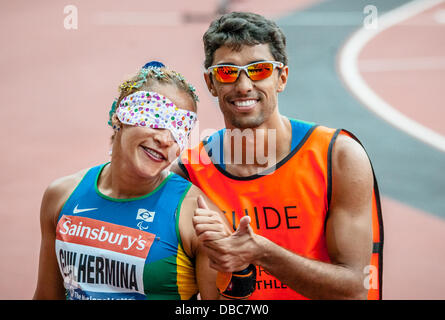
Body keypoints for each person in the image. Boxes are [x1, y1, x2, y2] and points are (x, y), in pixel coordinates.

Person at [172, 12, 384, 300]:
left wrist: (262, 253)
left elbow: (354, 290)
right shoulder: (188, 172)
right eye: (227, 72)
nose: (244, 85)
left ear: (281, 77)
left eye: (258, 70)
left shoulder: (337, 157)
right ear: (211, 83)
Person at [33, 61, 252, 300]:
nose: (167, 139)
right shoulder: (61, 195)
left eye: (180, 129)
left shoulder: (196, 216)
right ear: (118, 117)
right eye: (156, 119)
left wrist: (239, 269)